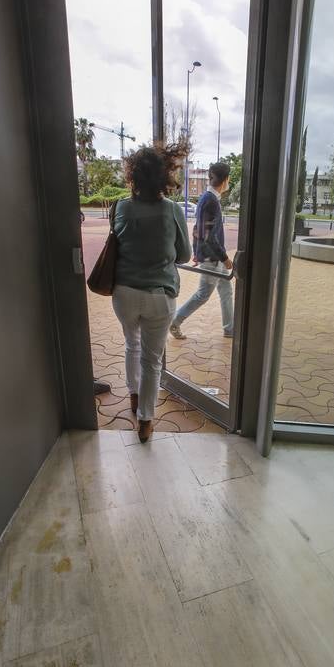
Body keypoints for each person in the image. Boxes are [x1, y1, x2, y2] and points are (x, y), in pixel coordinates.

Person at [111, 143, 192, 443]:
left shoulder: (119, 207)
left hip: (124, 293)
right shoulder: (172, 210)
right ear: (164, 176)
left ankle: (133, 397)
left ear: (133, 175)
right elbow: (183, 255)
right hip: (160, 295)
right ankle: (145, 421)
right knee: (152, 359)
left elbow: (117, 244)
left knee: (131, 344)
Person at [169, 161, 234, 340]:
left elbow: (198, 229)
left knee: (226, 291)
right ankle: (175, 321)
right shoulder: (210, 200)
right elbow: (208, 236)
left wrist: (198, 253)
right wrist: (225, 257)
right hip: (213, 258)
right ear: (226, 179)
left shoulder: (209, 199)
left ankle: (230, 329)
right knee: (203, 294)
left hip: (213, 257)